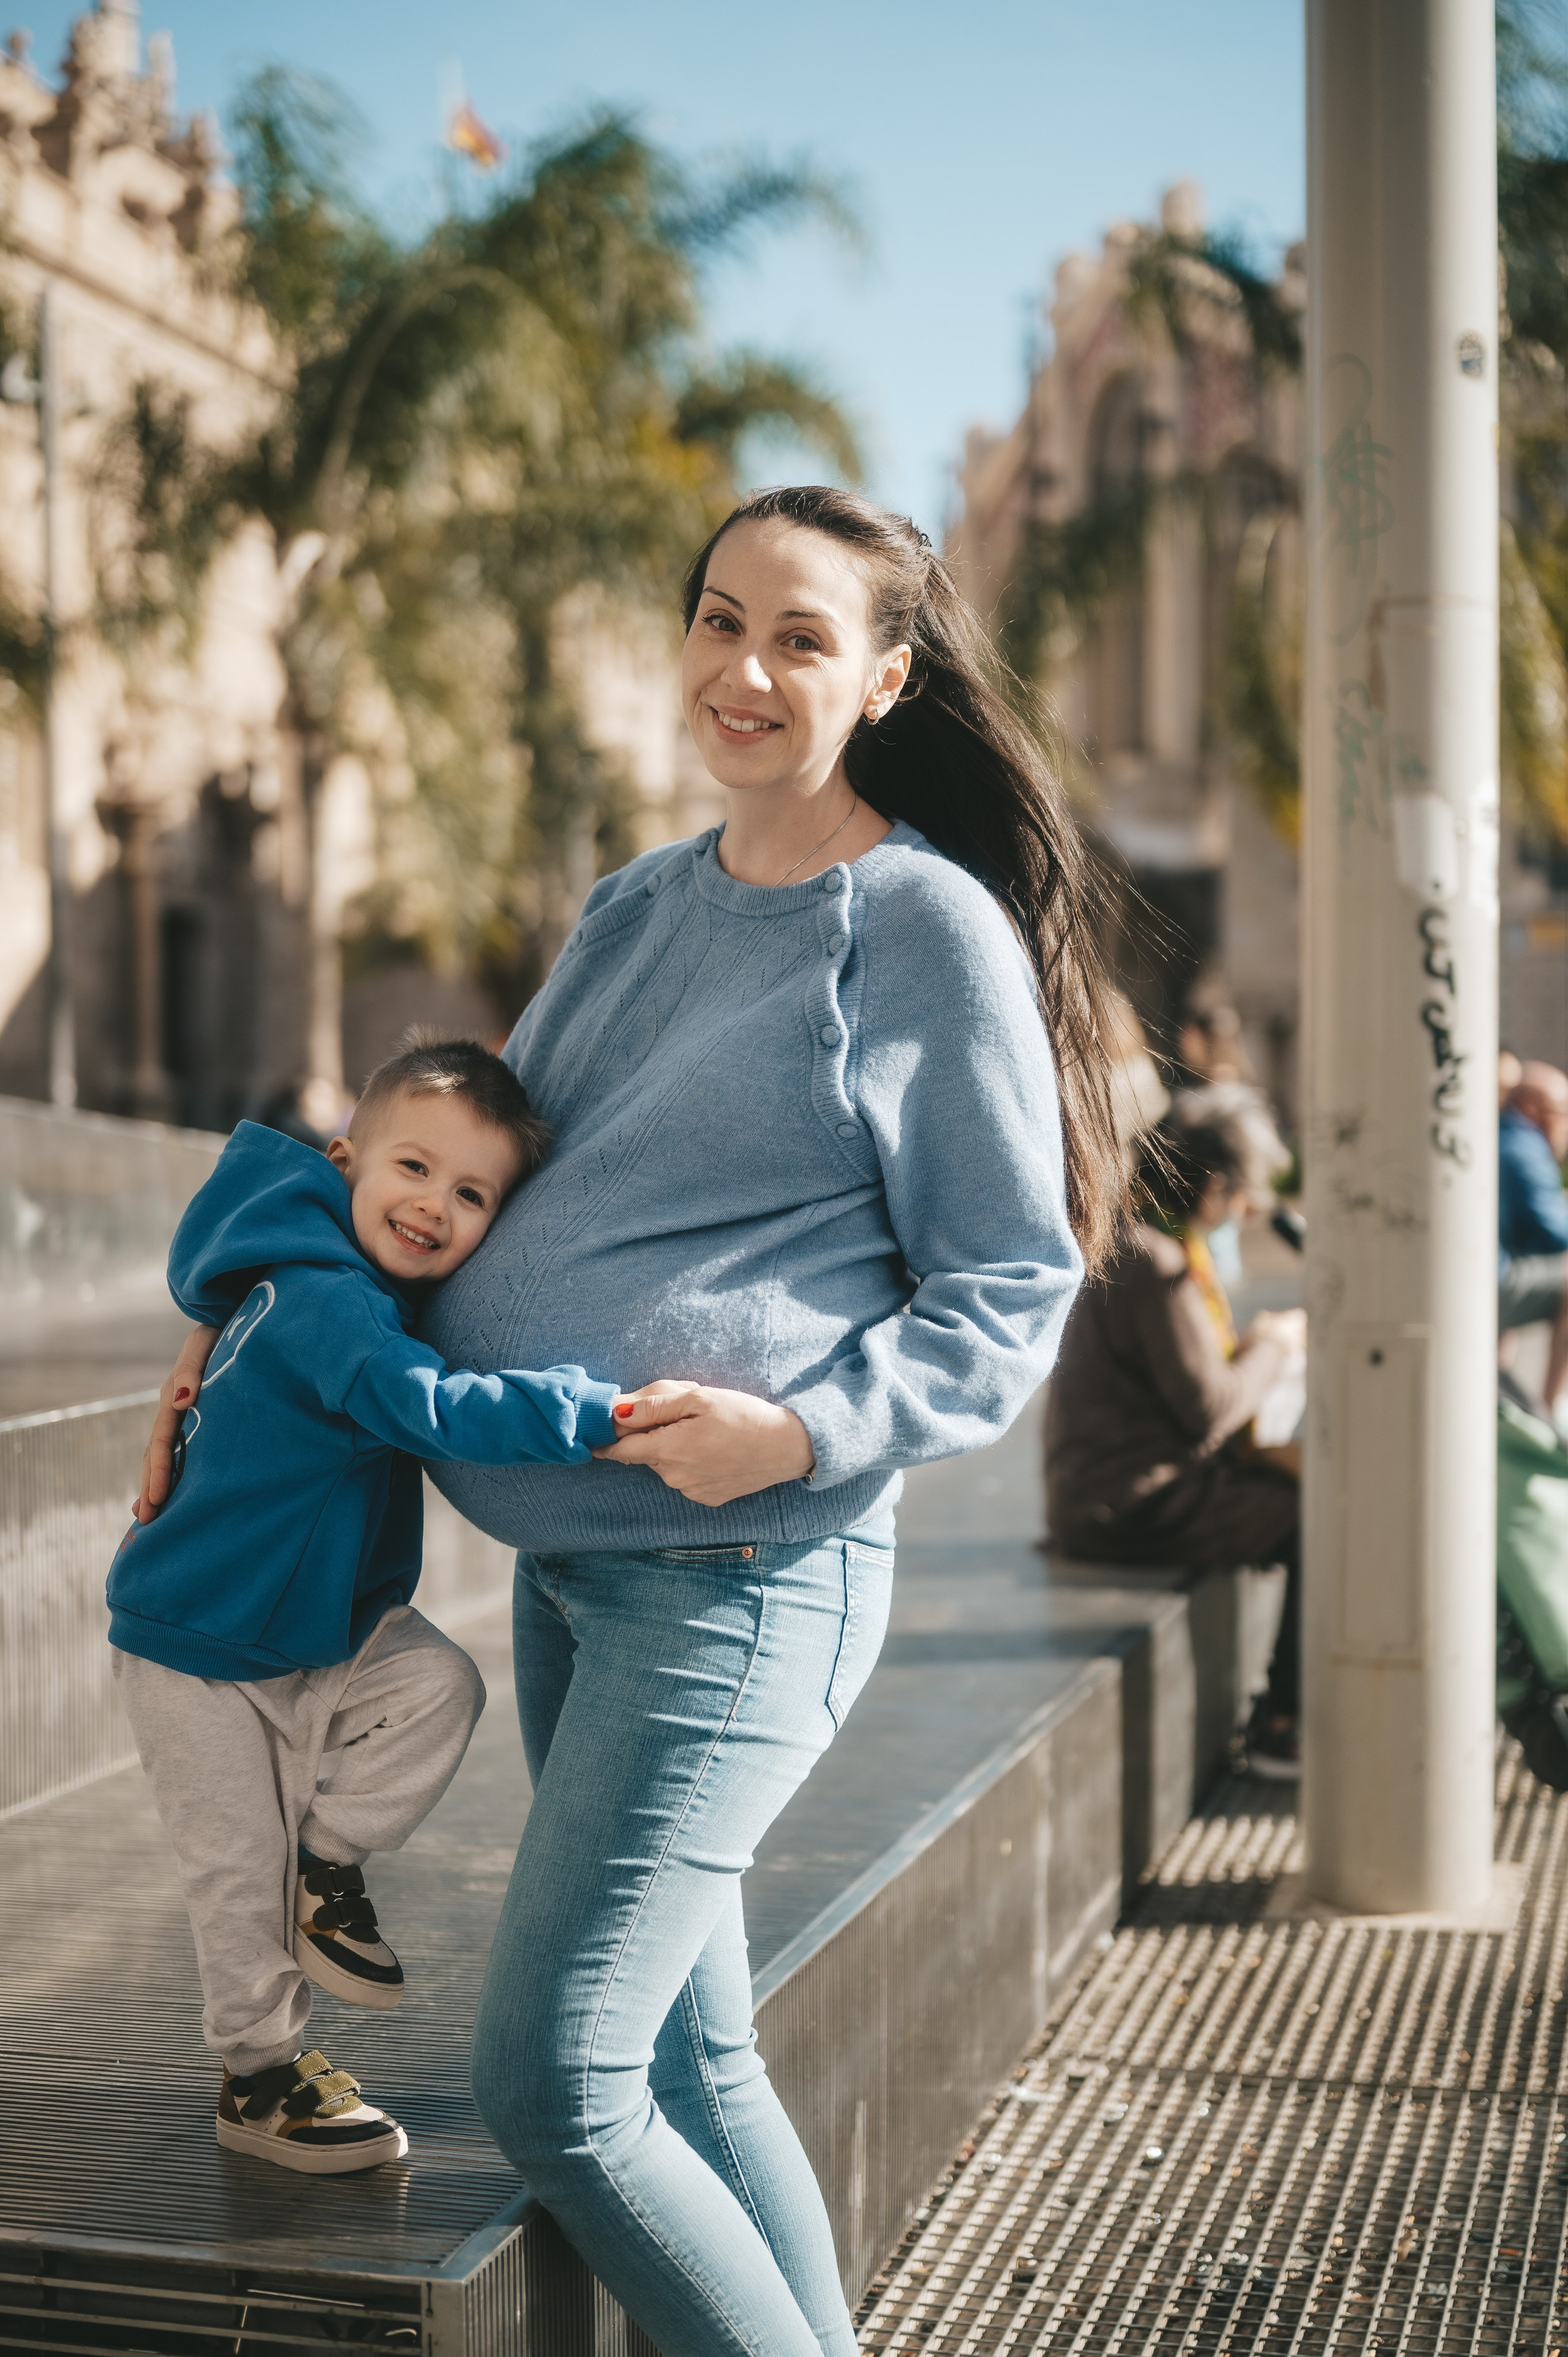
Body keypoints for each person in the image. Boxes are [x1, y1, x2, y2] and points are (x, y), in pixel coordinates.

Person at [141, 486, 1122, 2355]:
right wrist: (225, 1347)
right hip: (579, 1581)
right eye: (716, 617)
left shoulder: (914, 928)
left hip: (742, 1575)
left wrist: (806, 1431)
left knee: (558, 2082)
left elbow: (1010, 1282)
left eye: (802, 638)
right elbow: (433, 1178)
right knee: (692, 2049)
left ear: (889, 677)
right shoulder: (636, 904)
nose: (743, 668)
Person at [116, 1039, 625, 2175]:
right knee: (235, 1879)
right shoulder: (331, 1307)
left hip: (313, 1624)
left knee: (439, 1683)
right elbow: (430, 1408)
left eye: (471, 1193)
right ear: (346, 1160)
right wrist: (592, 1413)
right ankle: (259, 2077)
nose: (433, 1206)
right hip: (199, 1642)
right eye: (412, 1167)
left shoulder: (325, 1277)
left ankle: (327, 1860)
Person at [1045, 1103, 1306, 1778]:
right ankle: (1283, 1723)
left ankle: (1287, 1712)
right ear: (1215, 1186)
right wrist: (1273, 1347)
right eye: (1243, 1195)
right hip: (1134, 1505)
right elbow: (1209, 1407)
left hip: (1108, 1493)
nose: (1245, 1212)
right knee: (1316, 1517)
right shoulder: (1154, 1262)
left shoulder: (1134, 1242)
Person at [1499, 1060, 1568, 1419]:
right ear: (1532, 1108)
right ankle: (1549, 1412)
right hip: (1485, 1289)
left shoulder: (1500, 1135)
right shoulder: (1524, 1145)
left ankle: (1496, 1384)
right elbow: (1556, 1233)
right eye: (1564, 1112)